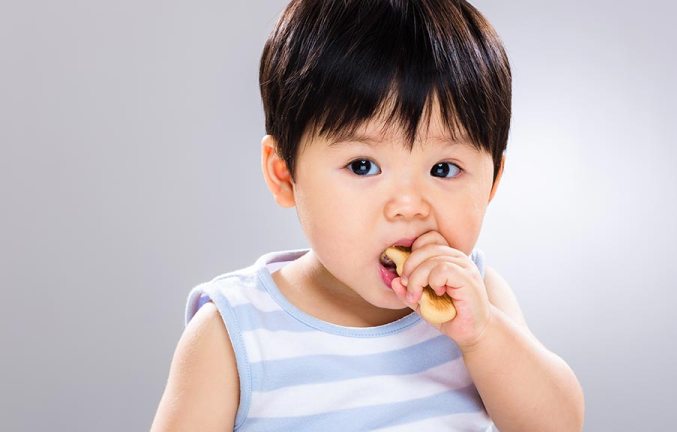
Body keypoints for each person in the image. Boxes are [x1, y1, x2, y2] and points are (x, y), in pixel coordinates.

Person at [152, 0, 584, 430]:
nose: (409, 205)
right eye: (363, 166)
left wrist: (483, 335)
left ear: (492, 183)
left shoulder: (479, 298)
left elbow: (558, 425)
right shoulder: (235, 332)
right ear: (284, 173)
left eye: (443, 169)